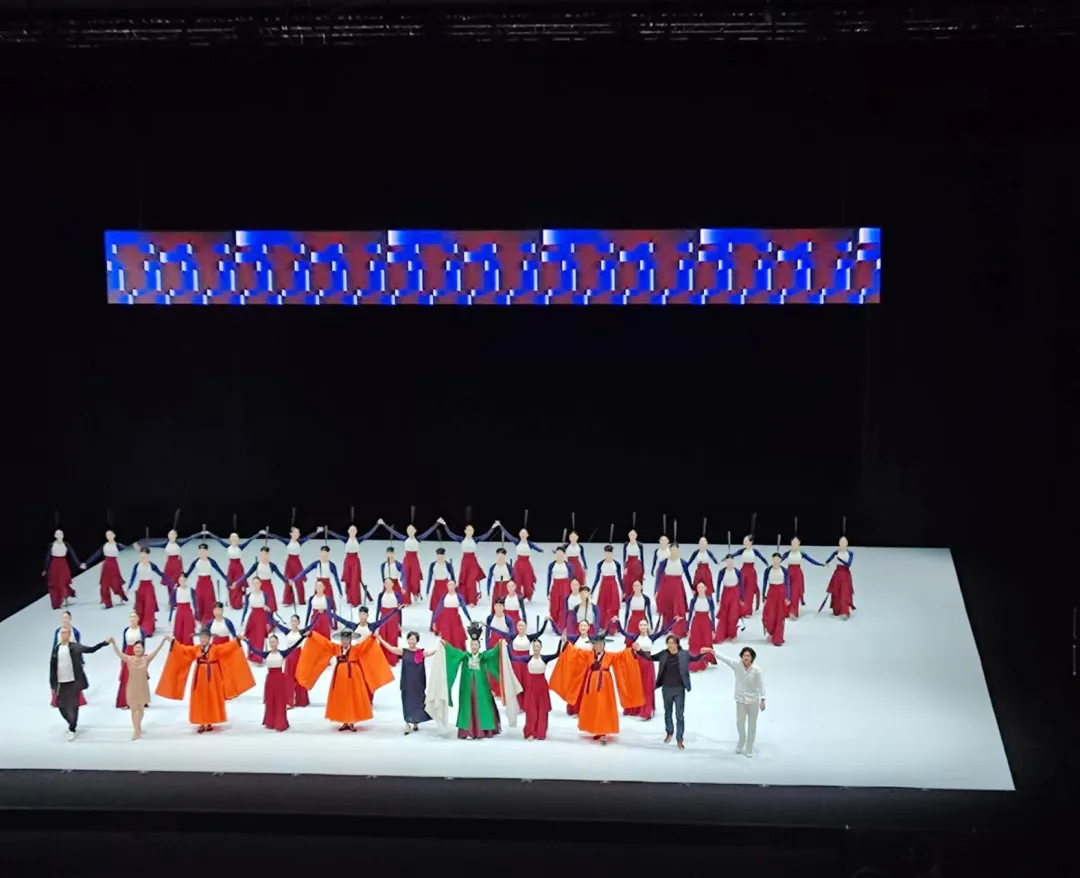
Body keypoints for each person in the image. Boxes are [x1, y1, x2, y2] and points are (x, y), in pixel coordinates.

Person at [549, 631, 644, 744]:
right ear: (593, 645)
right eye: (596, 644)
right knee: (594, 706)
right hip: (591, 684)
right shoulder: (589, 655)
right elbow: (575, 652)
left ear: (604, 645)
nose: (598, 646)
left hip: (605, 684)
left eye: (600, 644)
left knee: (603, 706)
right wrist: (566, 643)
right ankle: (596, 729)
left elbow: (622, 656)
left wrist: (632, 649)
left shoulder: (609, 656)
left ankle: (603, 731)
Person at [155, 628, 256, 733]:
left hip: (213, 675)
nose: (203, 639)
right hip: (200, 676)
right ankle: (201, 722)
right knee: (200, 697)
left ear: (209, 638)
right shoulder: (196, 649)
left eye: (205, 637)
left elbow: (227, 648)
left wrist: (237, 640)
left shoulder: (215, 648)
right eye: (202, 637)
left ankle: (209, 722)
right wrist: (173, 641)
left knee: (212, 697)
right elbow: (183, 650)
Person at [294, 627, 394, 731]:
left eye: (346, 639)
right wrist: (312, 635)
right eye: (343, 639)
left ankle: (351, 721)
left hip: (353, 677)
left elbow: (366, 645)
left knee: (352, 698)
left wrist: (372, 637)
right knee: (342, 698)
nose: (344, 641)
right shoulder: (336, 648)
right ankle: (344, 721)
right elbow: (324, 643)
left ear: (350, 640)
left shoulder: (356, 649)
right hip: (340, 678)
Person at [434, 623, 515, 740]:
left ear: (479, 646)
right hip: (467, 686)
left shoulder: (483, 657)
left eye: (476, 644)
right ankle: (467, 730)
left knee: (483, 704)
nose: (474, 647)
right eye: (472, 644)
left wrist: (500, 644)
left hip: (481, 686)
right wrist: (445, 645)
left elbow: (493, 653)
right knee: (467, 705)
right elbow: (454, 653)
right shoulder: (465, 656)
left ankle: (484, 729)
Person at [634, 634, 713, 749]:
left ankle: (680, 738)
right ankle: (669, 732)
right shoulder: (663, 654)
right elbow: (650, 658)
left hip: (679, 689)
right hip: (666, 688)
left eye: (672, 643)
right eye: (668, 643)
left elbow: (695, 659)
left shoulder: (684, 654)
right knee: (668, 712)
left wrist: (702, 653)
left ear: (677, 644)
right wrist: (639, 651)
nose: (670, 645)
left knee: (679, 715)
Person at [610, 614, 678, 720]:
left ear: (647, 626)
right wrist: (617, 622)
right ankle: (635, 708)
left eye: (644, 625)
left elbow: (663, 631)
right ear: (638, 627)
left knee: (647, 687)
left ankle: (646, 710)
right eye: (641, 625)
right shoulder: (634, 637)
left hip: (647, 664)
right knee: (637, 686)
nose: (642, 627)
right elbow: (623, 632)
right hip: (636, 664)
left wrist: (673, 621)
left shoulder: (651, 637)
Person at [50, 628, 108, 740]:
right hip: (60, 682)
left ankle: (72, 728)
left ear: (69, 635)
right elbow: (52, 666)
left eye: (65, 633)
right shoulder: (56, 649)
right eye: (61, 633)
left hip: (73, 682)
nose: (63, 635)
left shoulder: (75, 647)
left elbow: (91, 649)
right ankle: (70, 722)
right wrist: (52, 682)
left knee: (73, 706)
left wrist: (104, 643)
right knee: (61, 705)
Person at [377, 630, 438, 734]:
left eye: (413, 639)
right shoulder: (403, 651)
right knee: (407, 703)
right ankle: (407, 722)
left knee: (418, 703)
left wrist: (439, 648)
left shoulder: (421, 652)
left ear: (417, 641)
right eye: (409, 639)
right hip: (407, 682)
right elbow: (391, 649)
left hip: (418, 683)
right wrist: (381, 640)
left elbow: (431, 653)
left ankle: (415, 721)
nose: (411, 641)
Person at [108, 635, 167, 739]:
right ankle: (136, 730)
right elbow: (119, 653)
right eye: (136, 648)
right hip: (132, 687)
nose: (138, 649)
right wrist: (114, 643)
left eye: (139, 647)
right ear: (133, 649)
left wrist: (163, 641)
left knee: (141, 709)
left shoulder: (146, 659)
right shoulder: (129, 659)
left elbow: (157, 650)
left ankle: (138, 725)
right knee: (133, 709)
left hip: (143, 687)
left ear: (143, 649)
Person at [247, 632, 308, 732]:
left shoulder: (282, 653)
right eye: (271, 642)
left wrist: (303, 637)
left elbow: (294, 646)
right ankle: (271, 722)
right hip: (270, 680)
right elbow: (253, 649)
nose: (273, 644)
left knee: (280, 701)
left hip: (280, 679)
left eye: (274, 642)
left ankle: (280, 722)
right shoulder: (266, 654)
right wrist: (245, 640)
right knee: (270, 700)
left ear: (277, 643)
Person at [715, 647, 766, 757]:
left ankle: (749, 746)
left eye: (748, 656)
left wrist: (763, 700)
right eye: (744, 655)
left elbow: (761, 685)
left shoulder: (757, 670)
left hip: (753, 701)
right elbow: (725, 659)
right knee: (740, 723)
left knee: (752, 725)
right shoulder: (737, 665)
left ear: (752, 657)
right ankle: (742, 740)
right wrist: (712, 651)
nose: (746, 658)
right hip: (740, 700)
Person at [510, 638, 560, 740]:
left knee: (542, 709)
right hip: (531, 687)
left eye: (538, 646)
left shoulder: (544, 658)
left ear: (541, 647)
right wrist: (507, 646)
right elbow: (513, 657)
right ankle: (531, 732)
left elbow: (557, 654)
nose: (536, 648)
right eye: (534, 646)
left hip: (542, 687)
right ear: (532, 647)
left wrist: (561, 642)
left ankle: (541, 731)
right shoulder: (527, 658)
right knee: (531, 710)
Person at [384, 519, 441, 605]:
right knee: (406, 579)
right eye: (408, 529)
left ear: (415, 530)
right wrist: (384, 524)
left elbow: (429, 531)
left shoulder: (418, 539)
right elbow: (394, 532)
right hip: (407, 560)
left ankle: (415, 592)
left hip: (414, 560)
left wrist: (437, 523)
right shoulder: (404, 538)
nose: (410, 531)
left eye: (411, 529)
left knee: (415, 579)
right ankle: (406, 600)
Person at [325, 521, 380, 607]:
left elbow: (368, 534)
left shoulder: (358, 540)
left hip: (355, 562)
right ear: (348, 531)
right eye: (351, 530)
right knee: (349, 581)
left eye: (354, 530)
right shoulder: (345, 539)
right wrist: (327, 530)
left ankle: (355, 600)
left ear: (356, 531)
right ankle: (350, 598)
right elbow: (336, 535)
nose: (352, 531)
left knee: (355, 580)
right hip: (348, 561)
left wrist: (377, 525)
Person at [444, 519, 499, 605]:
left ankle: (472, 600)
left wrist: (493, 528)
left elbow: (485, 536)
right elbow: (451, 534)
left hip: (473, 562)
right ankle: (464, 600)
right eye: (468, 530)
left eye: (472, 530)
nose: (470, 532)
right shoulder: (461, 539)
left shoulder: (475, 539)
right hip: (465, 561)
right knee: (463, 580)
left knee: (471, 581)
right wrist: (445, 525)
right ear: (465, 531)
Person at [81, 528, 132, 608]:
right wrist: (86, 563)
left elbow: (129, 549)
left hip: (114, 565)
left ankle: (123, 597)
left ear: (114, 535)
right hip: (106, 566)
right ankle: (108, 603)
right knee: (104, 585)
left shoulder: (118, 545)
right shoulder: (104, 546)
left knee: (116, 583)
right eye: (107, 535)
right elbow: (96, 555)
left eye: (110, 534)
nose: (108, 536)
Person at [184, 544, 229, 626]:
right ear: (198, 551)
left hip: (208, 583)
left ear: (207, 551)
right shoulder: (196, 561)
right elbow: (187, 573)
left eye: (204, 551)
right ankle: (200, 618)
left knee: (209, 601)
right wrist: (181, 577)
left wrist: (228, 580)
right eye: (201, 551)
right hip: (200, 583)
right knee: (199, 600)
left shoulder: (211, 561)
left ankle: (209, 619)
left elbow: (220, 572)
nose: (202, 552)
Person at [780, 536, 824, 619]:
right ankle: (786, 611)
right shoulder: (788, 553)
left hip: (797, 574)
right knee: (787, 592)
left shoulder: (801, 554)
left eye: (796, 543)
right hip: (788, 574)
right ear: (791, 543)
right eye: (793, 543)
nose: (794, 545)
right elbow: (779, 560)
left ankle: (793, 612)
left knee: (795, 593)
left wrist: (821, 564)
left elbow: (811, 560)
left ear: (799, 544)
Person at [653, 543, 691, 638]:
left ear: (678, 551)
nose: (674, 552)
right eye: (672, 550)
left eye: (675, 550)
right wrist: (656, 590)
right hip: (666, 587)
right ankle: (667, 627)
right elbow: (659, 577)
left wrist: (692, 587)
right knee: (667, 607)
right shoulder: (664, 562)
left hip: (678, 587)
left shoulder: (682, 562)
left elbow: (688, 576)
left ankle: (680, 630)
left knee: (679, 607)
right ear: (669, 550)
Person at [49, 612, 87, 708]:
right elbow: (55, 645)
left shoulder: (75, 632)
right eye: (63, 618)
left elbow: (78, 646)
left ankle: (77, 699)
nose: (64, 620)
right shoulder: (58, 632)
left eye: (66, 618)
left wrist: (81, 659)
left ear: (70, 619)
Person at [730, 536, 769, 617]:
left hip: (751, 573)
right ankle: (738, 609)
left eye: (746, 541)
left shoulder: (754, 551)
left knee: (749, 592)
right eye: (744, 541)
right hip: (743, 572)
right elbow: (734, 555)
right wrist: (729, 556)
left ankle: (747, 611)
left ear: (751, 542)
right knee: (740, 590)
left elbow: (762, 558)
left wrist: (767, 564)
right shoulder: (742, 551)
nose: (744, 543)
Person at [43, 528, 81, 609]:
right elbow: (48, 557)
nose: (59, 536)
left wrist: (78, 564)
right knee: (55, 584)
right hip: (54, 565)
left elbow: (72, 554)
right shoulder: (51, 545)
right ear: (55, 536)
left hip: (63, 564)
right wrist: (45, 569)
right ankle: (56, 602)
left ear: (63, 535)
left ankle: (65, 596)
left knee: (63, 582)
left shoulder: (66, 544)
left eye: (61, 534)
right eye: (57, 534)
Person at [116, 611, 147, 709]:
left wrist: (142, 657)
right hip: (127, 654)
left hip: (137, 654)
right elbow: (124, 644)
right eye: (131, 617)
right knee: (126, 678)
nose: (132, 619)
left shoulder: (141, 631)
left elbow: (143, 645)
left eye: (134, 617)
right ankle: (125, 701)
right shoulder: (126, 630)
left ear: (138, 619)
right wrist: (122, 657)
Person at [431, 580, 472, 649]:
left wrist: (469, 619)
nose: (450, 586)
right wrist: (434, 621)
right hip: (445, 620)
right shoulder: (444, 596)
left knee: (457, 636)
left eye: (452, 584)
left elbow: (464, 608)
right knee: (446, 636)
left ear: (455, 586)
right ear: (447, 586)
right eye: (449, 585)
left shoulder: (459, 596)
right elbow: (439, 609)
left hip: (455, 619)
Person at [761, 554, 791, 646]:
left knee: (780, 616)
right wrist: (763, 596)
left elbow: (787, 584)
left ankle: (778, 638)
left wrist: (788, 597)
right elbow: (764, 583)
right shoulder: (768, 570)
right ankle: (771, 632)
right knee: (770, 615)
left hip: (781, 593)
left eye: (777, 559)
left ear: (780, 560)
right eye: (774, 559)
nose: (776, 561)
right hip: (771, 593)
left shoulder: (784, 571)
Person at [823, 537, 855, 619]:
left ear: (847, 544)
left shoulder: (850, 553)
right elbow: (829, 559)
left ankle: (845, 611)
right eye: (841, 543)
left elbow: (848, 564)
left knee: (845, 592)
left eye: (844, 543)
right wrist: (826, 563)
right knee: (836, 591)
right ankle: (836, 609)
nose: (842, 545)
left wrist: (840, 559)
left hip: (845, 574)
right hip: (837, 573)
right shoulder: (836, 552)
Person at [591, 545, 623, 625]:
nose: (607, 555)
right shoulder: (600, 564)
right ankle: (602, 624)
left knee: (613, 605)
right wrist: (592, 590)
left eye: (609, 553)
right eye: (606, 553)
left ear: (612, 553)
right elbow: (597, 578)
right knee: (602, 605)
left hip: (613, 586)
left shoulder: (616, 564)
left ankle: (612, 625)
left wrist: (624, 591)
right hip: (604, 585)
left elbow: (620, 578)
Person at [547, 546, 574, 622]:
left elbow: (572, 579)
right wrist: (547, 591)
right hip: (555, 586)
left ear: (564, 555)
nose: (559, 556)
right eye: (557, 554)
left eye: (561, 554)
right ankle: (554, 622)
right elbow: (549, 579)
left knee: (563, 605)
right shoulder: (552, 565)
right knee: (554, 605)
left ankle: (562, 623)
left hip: (565, 586)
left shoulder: (568, 566)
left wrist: (571, 591)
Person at [622, 529, 645, 597]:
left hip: (637, 565)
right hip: (628, 564)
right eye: (630, 535)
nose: (632, 536)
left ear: (636, 535)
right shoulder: (626, 544)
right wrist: (624, 567)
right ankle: (627, 595)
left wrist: (643, 570)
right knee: (627, 580)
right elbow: (624, 556)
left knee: (636, 580)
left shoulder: (639, 545)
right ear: (628, 535)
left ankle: (637, 595)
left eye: (633, 535)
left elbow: (642, 558)